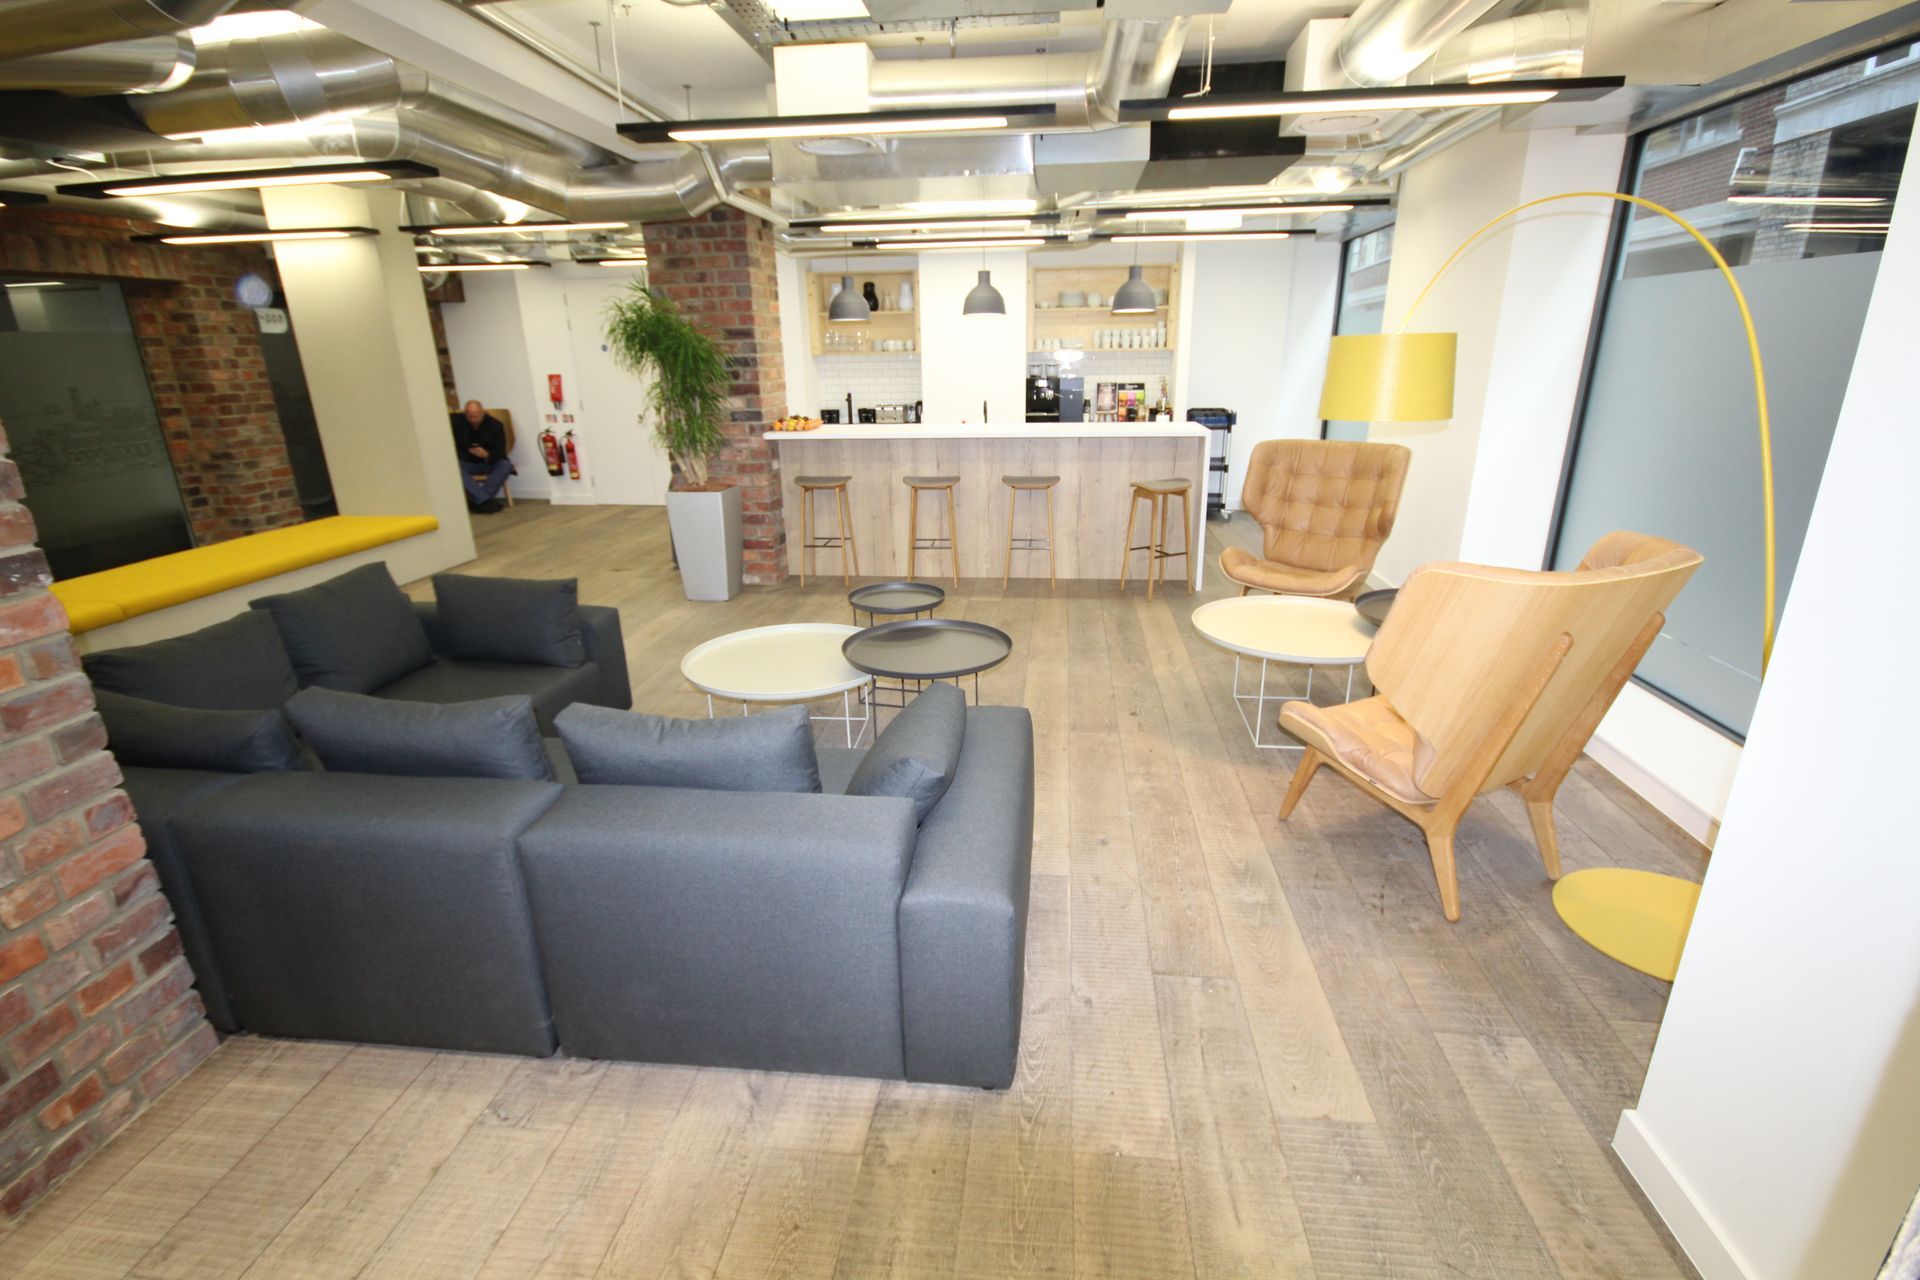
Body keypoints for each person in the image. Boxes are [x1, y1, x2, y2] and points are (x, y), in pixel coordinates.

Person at [451, 400, 514, 513]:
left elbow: (500, 452)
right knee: (453, 467)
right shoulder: (456, 422)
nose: (473, 419)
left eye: (476, 416)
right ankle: (485, 500)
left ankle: (478, 500)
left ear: (483, 412)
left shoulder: (495, 425)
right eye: (470, 416)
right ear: (465, 414)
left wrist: (486, 454)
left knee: (506, 465)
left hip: (489, 462)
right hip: (466, 461)